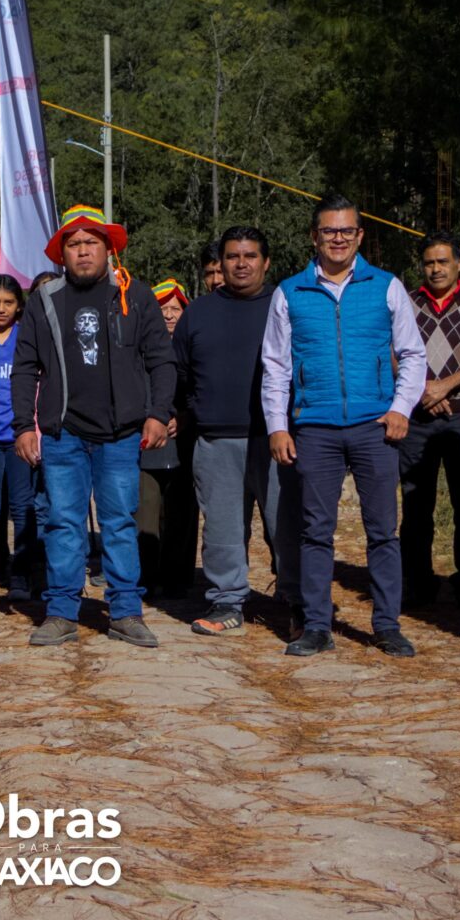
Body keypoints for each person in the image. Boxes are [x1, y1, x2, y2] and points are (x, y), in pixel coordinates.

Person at [262, 194, 427, 659]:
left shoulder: (386, 286)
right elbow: (275, 366)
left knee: (382, 531)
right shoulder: (290, 292)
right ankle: (317, 625)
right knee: (316, 531)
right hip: (315, 427)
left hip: (376, 427)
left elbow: (413, 355)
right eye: (329, 231)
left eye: (347, 231)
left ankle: (387, 625)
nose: (338, 238)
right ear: (315, 236)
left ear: (360, 236)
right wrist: (278, 425)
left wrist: (400, 408)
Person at [12, 204, 176, 649]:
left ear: (108, 248)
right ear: (61, 253)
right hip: (63, 434)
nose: (83, 251)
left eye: (91, 243)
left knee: (119, 523)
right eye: (74, 244)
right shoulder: (45, 300)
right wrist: (24, 424)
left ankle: (125, 611)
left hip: (121, 434)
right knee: (64, 522)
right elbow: (25, 366)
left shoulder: (134, 295)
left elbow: (162, 359)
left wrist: (158, 412)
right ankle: (62, 611)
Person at [175, 226, 280, 637]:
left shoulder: (285, 305)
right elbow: (178, 373)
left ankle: (293, 597)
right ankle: (227, 600)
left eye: (250, 255)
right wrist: (185, 413)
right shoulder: (198, 313)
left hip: (275, 438)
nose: (241, 263)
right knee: (222, 528)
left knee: (285, 524)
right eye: (232, 256)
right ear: (221, 263)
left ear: (265, 262)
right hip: (216, 438)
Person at [398, 230, 460, 610]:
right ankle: (417, 584)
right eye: (429, 263)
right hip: (417, 416)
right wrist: (422, 392)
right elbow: (392, 351)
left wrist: (445, 387)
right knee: (417, 505)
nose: (435, 269)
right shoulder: (406, 302)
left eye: (443, 262)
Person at [0, 275, 41, 606]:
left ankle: (21, 575)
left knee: (22, 507)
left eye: (8, 302)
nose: (1, 308)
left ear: (18, 307)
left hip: (19, 438)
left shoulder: (26, 338)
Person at [137, 277, 198, 599]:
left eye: (176, 308)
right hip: (146, 439)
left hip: (185, 440)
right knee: (146, 511)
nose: (170, 315)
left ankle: (178, 579)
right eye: (164, 308)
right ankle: (146, 577)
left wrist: (187, 418)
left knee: (181, 512)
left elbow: (201, 391)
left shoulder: (194, 347)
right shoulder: (138, 348)